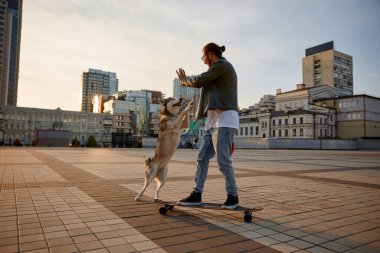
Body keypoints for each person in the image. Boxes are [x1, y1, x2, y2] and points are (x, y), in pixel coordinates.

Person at [176, 42, 240, 209]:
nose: (203, 60)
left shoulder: (222, 65)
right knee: (202, 157)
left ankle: (233, 196)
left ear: (210, 54)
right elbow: (205, 82)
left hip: (225, 120)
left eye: (204, 57)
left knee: (223, 161)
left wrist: (184, 81)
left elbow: (200, 80)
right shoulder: (215, 70)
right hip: (213, 121)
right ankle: (196, 194)